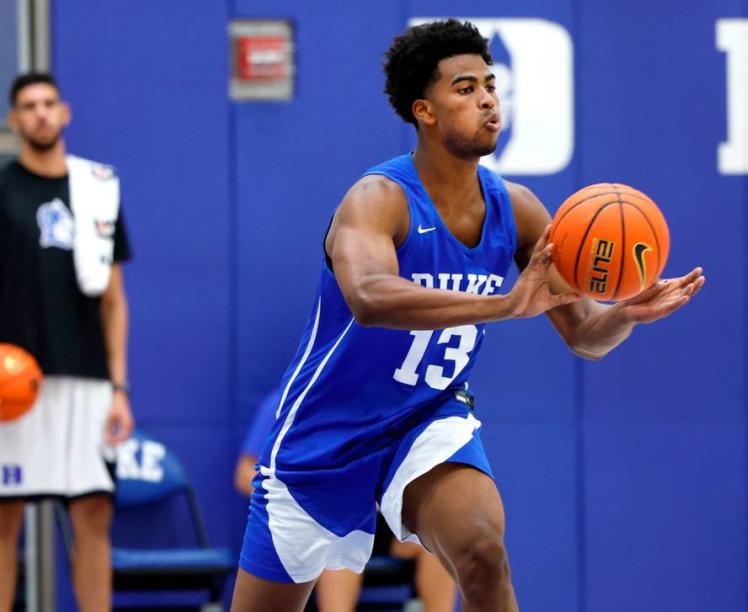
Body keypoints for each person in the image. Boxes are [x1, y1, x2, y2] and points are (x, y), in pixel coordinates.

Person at [232, 19, 704, 612]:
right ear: (424, 110)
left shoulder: (521, 210)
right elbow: (371, 298)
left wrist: (627, 313)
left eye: (490, 84)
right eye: (464, 88)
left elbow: (585, 333)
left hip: (425, 419)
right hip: (324, 433)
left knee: (482, 553)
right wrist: (503, 305)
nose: (486, 98)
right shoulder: (378, 199)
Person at [0, 72, 134, 611]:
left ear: (65, 112)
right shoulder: (2, 189)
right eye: (28, 106)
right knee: (5, 518)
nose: (39, 113)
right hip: (13, 381)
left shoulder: (97, 189)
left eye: (47, 103)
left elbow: (114, 299)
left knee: (93, 515)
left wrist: (119, 385)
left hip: (86, 379)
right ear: (14, 121)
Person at [233, 387, 456, 612]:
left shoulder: (392, 402)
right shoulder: (289, 400)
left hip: (382, 520)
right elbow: (245, 473)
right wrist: (301, 495)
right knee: (338, 554)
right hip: (326, 520)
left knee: (437, 545)